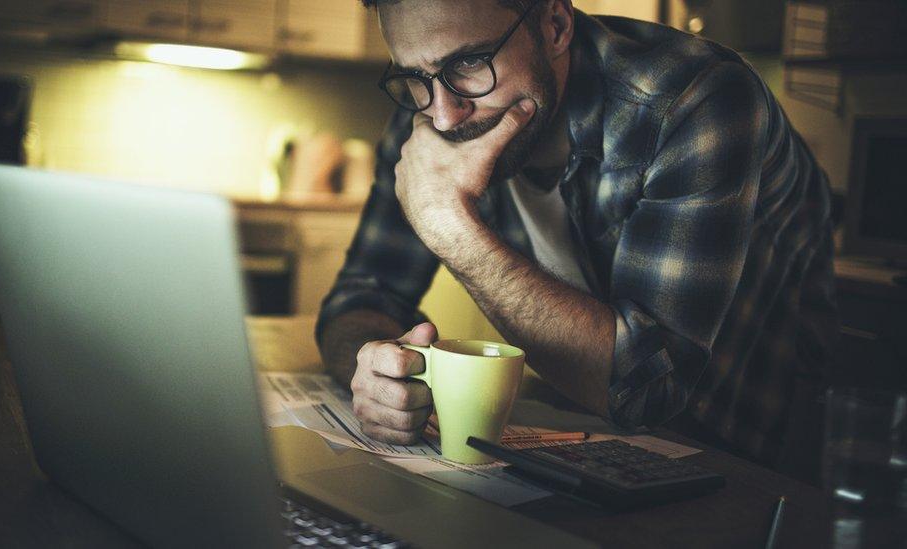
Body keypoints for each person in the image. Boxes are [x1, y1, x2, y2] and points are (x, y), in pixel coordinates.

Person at [315, 0, 838, 469]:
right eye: (414, 76)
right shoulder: (431, 107)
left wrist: (450, 227)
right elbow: (362, 295)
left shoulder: (695, 100)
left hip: (745, 468)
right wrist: (376, 368)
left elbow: (648, 389)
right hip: (582, 444)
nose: (445, 117)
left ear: (555, 25)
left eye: (470, 62)